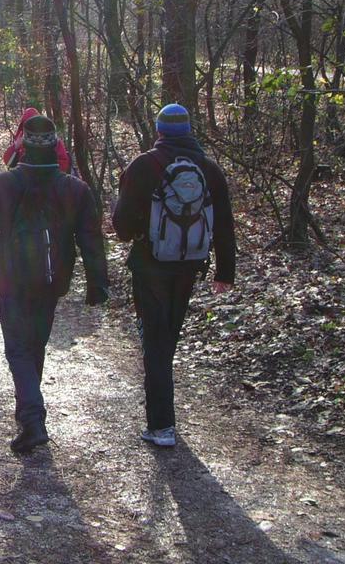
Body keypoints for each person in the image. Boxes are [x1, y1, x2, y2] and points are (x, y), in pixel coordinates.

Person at [0, 115, 109, 453]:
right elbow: (91, 238)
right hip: (51, 281)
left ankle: (32, 419)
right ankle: (27, 417)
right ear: (57, 147)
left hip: (12, 280)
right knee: (34, 347)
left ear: (25, 147)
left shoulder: (3, 185)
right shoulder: (75, 189)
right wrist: (97, 284)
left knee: (17, 349)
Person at [112, 103, 235, 448]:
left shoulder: (144, 165)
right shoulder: (209, 169)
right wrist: (225, 271)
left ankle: (162, 425)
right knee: (167, 336)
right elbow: (224, 224)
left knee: (155, 340)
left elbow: (121, 226)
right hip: (190, 265)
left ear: (160, 130)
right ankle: (161, 414)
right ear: (189, 131)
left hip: (150, 263)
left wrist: (136, 228)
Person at [4, 107, 74, 175]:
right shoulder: (20, 142)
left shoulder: (52, 140)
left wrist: (49, 174)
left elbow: (63, 163)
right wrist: (15, 146)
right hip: (24, 182)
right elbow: (8, 162)